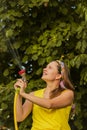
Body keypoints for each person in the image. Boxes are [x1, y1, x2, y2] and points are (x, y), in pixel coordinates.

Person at [14, 60, 75, 130]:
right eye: (46, 67)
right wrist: (19, 94)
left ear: (58, 76)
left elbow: (49, 104)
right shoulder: (33, 95)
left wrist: (23, 94)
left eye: (50, 67)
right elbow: (19, 117)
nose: (44, 69)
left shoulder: (68, 93)